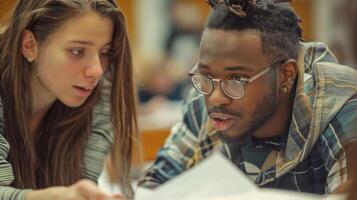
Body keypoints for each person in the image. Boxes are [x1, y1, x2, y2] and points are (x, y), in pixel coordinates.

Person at [138, 0, 357, 195]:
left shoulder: (340, 107)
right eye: (206, 75)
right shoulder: (204, 97)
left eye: (237, 79)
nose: (215, 98)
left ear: (286, 75)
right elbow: (155, 186)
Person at [0, 0, 137, 199]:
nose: (97, 70)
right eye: (77, 51)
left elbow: (82, 187)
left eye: (104, 53)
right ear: (30, 45)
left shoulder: (100, 97)